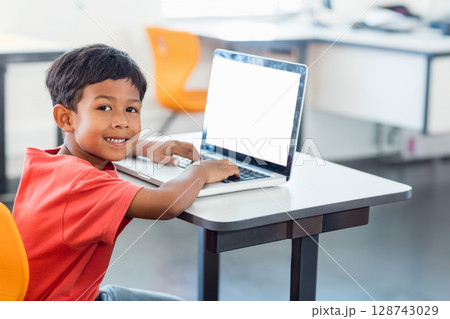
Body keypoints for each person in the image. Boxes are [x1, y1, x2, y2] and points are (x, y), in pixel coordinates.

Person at [12, 44, 239, 301]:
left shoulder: (45, 163)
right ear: (66, 118)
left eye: (131, 109)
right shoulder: (83, 184)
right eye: (104, 108)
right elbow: (166, 204)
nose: (122, 121)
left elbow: (96, 143)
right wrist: (201, 171)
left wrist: (143, 147)